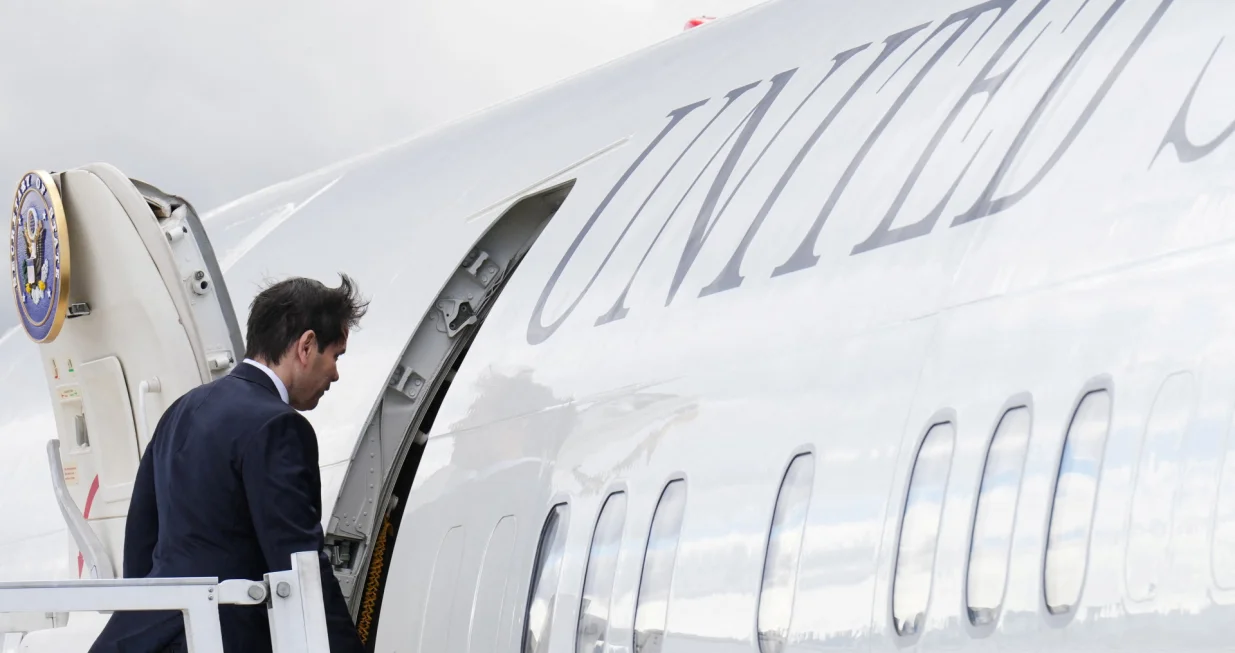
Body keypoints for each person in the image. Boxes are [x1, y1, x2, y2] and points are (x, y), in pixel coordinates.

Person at [89, 274, 370, 653]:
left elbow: (141, 542)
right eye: (335, 355)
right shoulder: (278, 426)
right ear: (306, 346)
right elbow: (300, 565)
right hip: (224, 638)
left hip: (146, 636)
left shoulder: (180, 411)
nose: (335, 373)